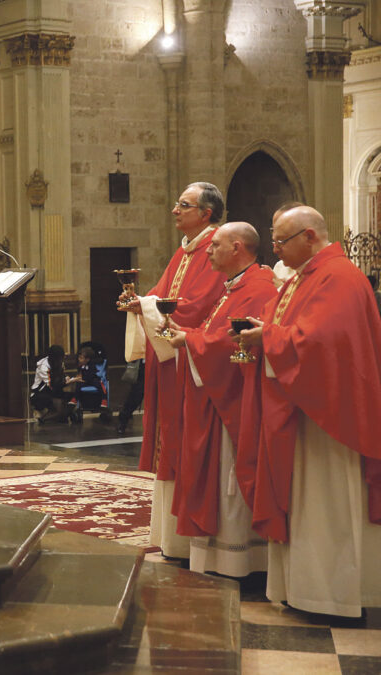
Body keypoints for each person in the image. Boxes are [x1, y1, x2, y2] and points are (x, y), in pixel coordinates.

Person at [237, 205, 381, 618]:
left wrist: (269, 337)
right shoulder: (306, 277)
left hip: (330, 416)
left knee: (326, 504)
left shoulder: (338, 277)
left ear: (310, 237)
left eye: (282, 241)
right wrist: (264, 330)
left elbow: (323, 342)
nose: (276, 249)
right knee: (304, 501)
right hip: (304, 408)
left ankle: (330, 595)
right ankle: (304, 589)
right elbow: (290, 327)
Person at [122, 182, 227, 559]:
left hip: (192, 361)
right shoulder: (184, 252)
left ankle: (185, 535)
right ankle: (171, 534)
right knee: (170, 438)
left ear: (206, 213)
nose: (174, 210)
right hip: (173, 362)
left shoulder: (214, 249)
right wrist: (139, 302)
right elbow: (162, 294)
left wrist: (147, 307)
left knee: (185, 441)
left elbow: (195, 307)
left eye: (183, 204)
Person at [165, 222, 275, 578]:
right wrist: (193, 336)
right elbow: (219, 333)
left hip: (233, 403)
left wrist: (192, 342)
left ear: (238, 248)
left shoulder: (257, 286)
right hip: (215, 398)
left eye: (215, 246)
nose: (208, 251)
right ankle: (217, 557)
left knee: (230, 481)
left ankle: (238, 560)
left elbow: (238, 342)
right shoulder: (234, 287)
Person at [64, 346, 108, 423]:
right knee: (78, 385)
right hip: (85, 380)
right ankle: (75, 399)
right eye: (79, 357)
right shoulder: (81, 365)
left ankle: (104, 400)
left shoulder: (91, 365)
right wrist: (79, 378)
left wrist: (82, 378)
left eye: (81, 358)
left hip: (92, 379)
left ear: (87, 359)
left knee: (100, 384)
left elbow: (91, 375)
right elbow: (80, 373)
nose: (79, 359)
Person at [30, 344, 67, 422]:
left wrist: (66, 380)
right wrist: (65, 381)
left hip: (53, 391)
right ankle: (42, 414)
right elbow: (52, 385)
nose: (62, 359)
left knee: (67, 401)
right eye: (61, 357)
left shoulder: (60, 363)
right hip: (39, 394)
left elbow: (62, 378)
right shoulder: (43, 366)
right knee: (59, 408)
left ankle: (54, 413)